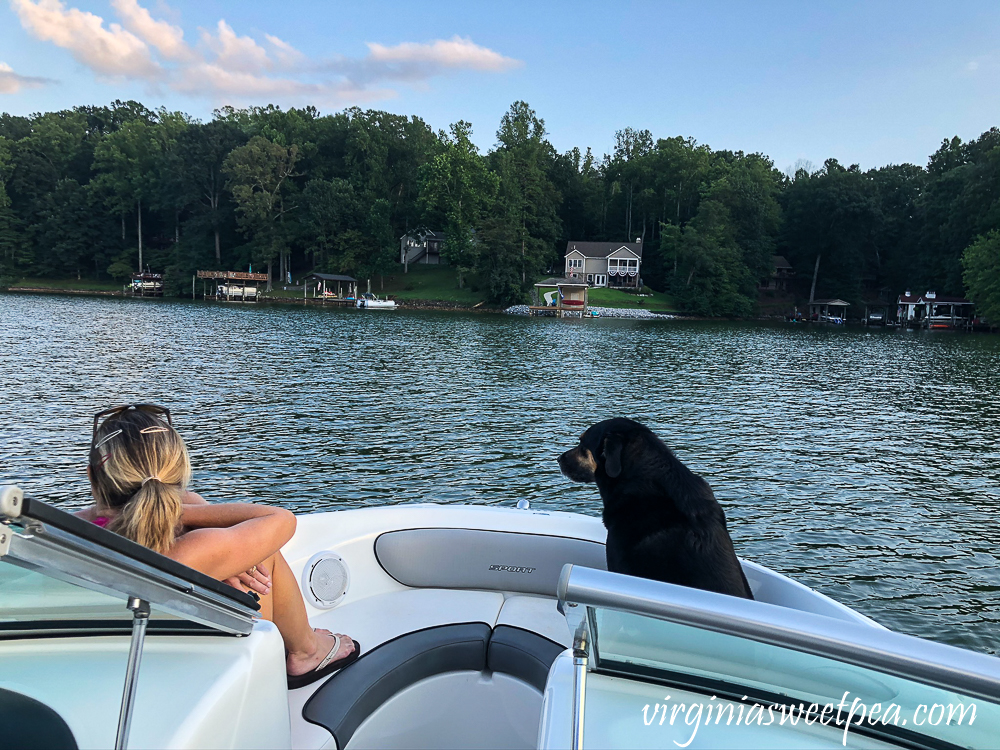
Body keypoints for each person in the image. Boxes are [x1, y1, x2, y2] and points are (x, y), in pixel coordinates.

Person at [78, 404, 359, 689]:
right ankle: (306, 651)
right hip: (188, 668)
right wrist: (181, 512)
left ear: (91, 476)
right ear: (178, 476)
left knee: (241, 551)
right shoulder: (187, 553)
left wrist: (127, 511)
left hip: (113, 661)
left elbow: (104, 516)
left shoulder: (63, 533)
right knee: (263, 552)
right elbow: (281, 520)